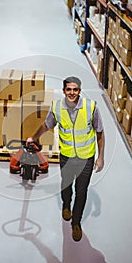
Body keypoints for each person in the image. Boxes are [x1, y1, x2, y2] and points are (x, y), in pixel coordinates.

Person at [26, 76, 105, 242]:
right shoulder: (57, 108)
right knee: (66, 184)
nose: (72, 93)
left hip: (86, 157)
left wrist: (100, 157)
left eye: (75, 90)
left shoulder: (91, 107)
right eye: (69, 89)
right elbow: (46, 125)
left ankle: (76, 223)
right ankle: (66, 204)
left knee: (82, 191)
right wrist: (34, 137)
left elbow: (99, 132)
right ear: (64, 91)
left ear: (80, 91)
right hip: (67, 156)